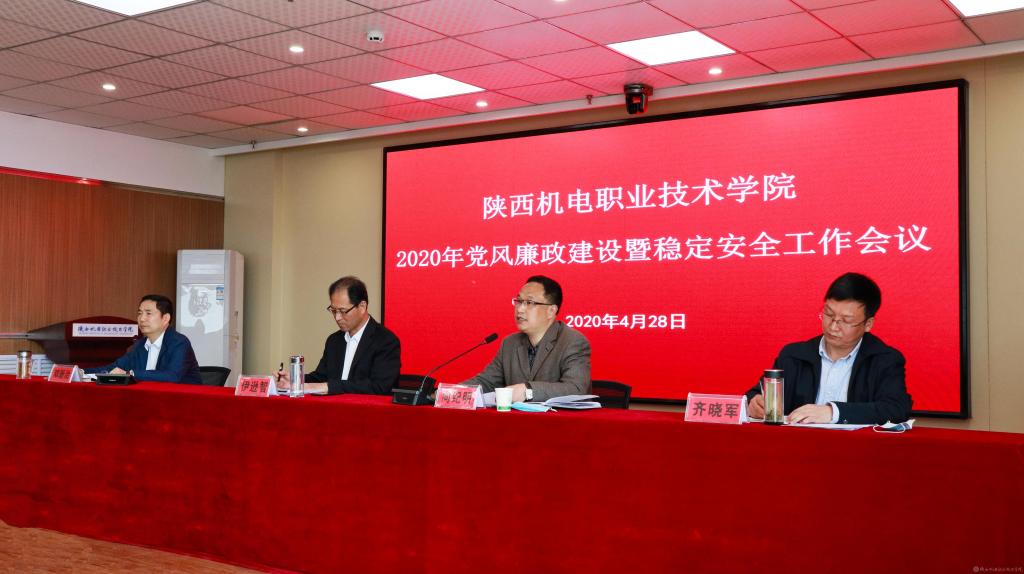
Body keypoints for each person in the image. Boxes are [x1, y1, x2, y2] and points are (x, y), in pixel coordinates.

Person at [745, 272, 912, 425]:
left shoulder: (885, 360)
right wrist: (754, 402)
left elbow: (896, 409)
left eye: (846, 321)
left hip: (856, 446)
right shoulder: (793, 355)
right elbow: (756, 394)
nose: (833, 326)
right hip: (797, 444)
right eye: (829, 314)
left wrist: (834, 412)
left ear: (868, 324)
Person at [460, 275, 591, 402]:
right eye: (519, 301)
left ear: (551, 311)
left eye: (530, 302)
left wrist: (528, 391)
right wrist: (454, 392)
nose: (520, 309)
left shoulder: (572, 341)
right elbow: (486, 382)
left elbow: (577, 388)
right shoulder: (510, 344)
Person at [277, 276, 400, 395]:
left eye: (343, 311)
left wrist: (330, 387)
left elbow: (380, 387)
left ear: (362, 306)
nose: (337, 317)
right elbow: (321, 377)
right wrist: (296, 380)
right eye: (333, 310)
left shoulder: (385, 341)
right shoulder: (334, 340)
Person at [86, 294, 202, 385]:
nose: (141, 319)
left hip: (183, 402)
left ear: (165, 318)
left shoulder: (179, 343)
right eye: (140, 313)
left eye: (148, 313)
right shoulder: (139, 345)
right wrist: (82, 372)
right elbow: (113, 368)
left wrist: (131, 373)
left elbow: (172, 376)